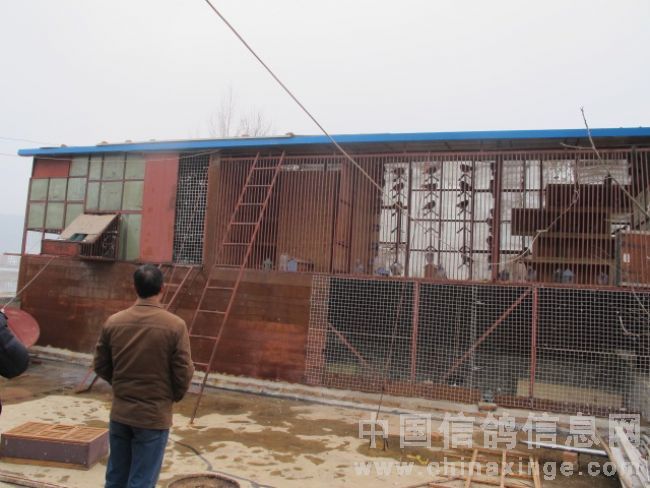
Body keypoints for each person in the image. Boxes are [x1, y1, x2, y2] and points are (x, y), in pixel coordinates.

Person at [93, 264, 194, 488]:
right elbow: (183, 371)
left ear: (135, 288)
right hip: (153, 416)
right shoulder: (175, 326)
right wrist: (171, 397)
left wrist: (120, 385)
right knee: (142, 481)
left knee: (115, 478)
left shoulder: (114, 322)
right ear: (162, 288)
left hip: (121, 412)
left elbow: (100, 364)